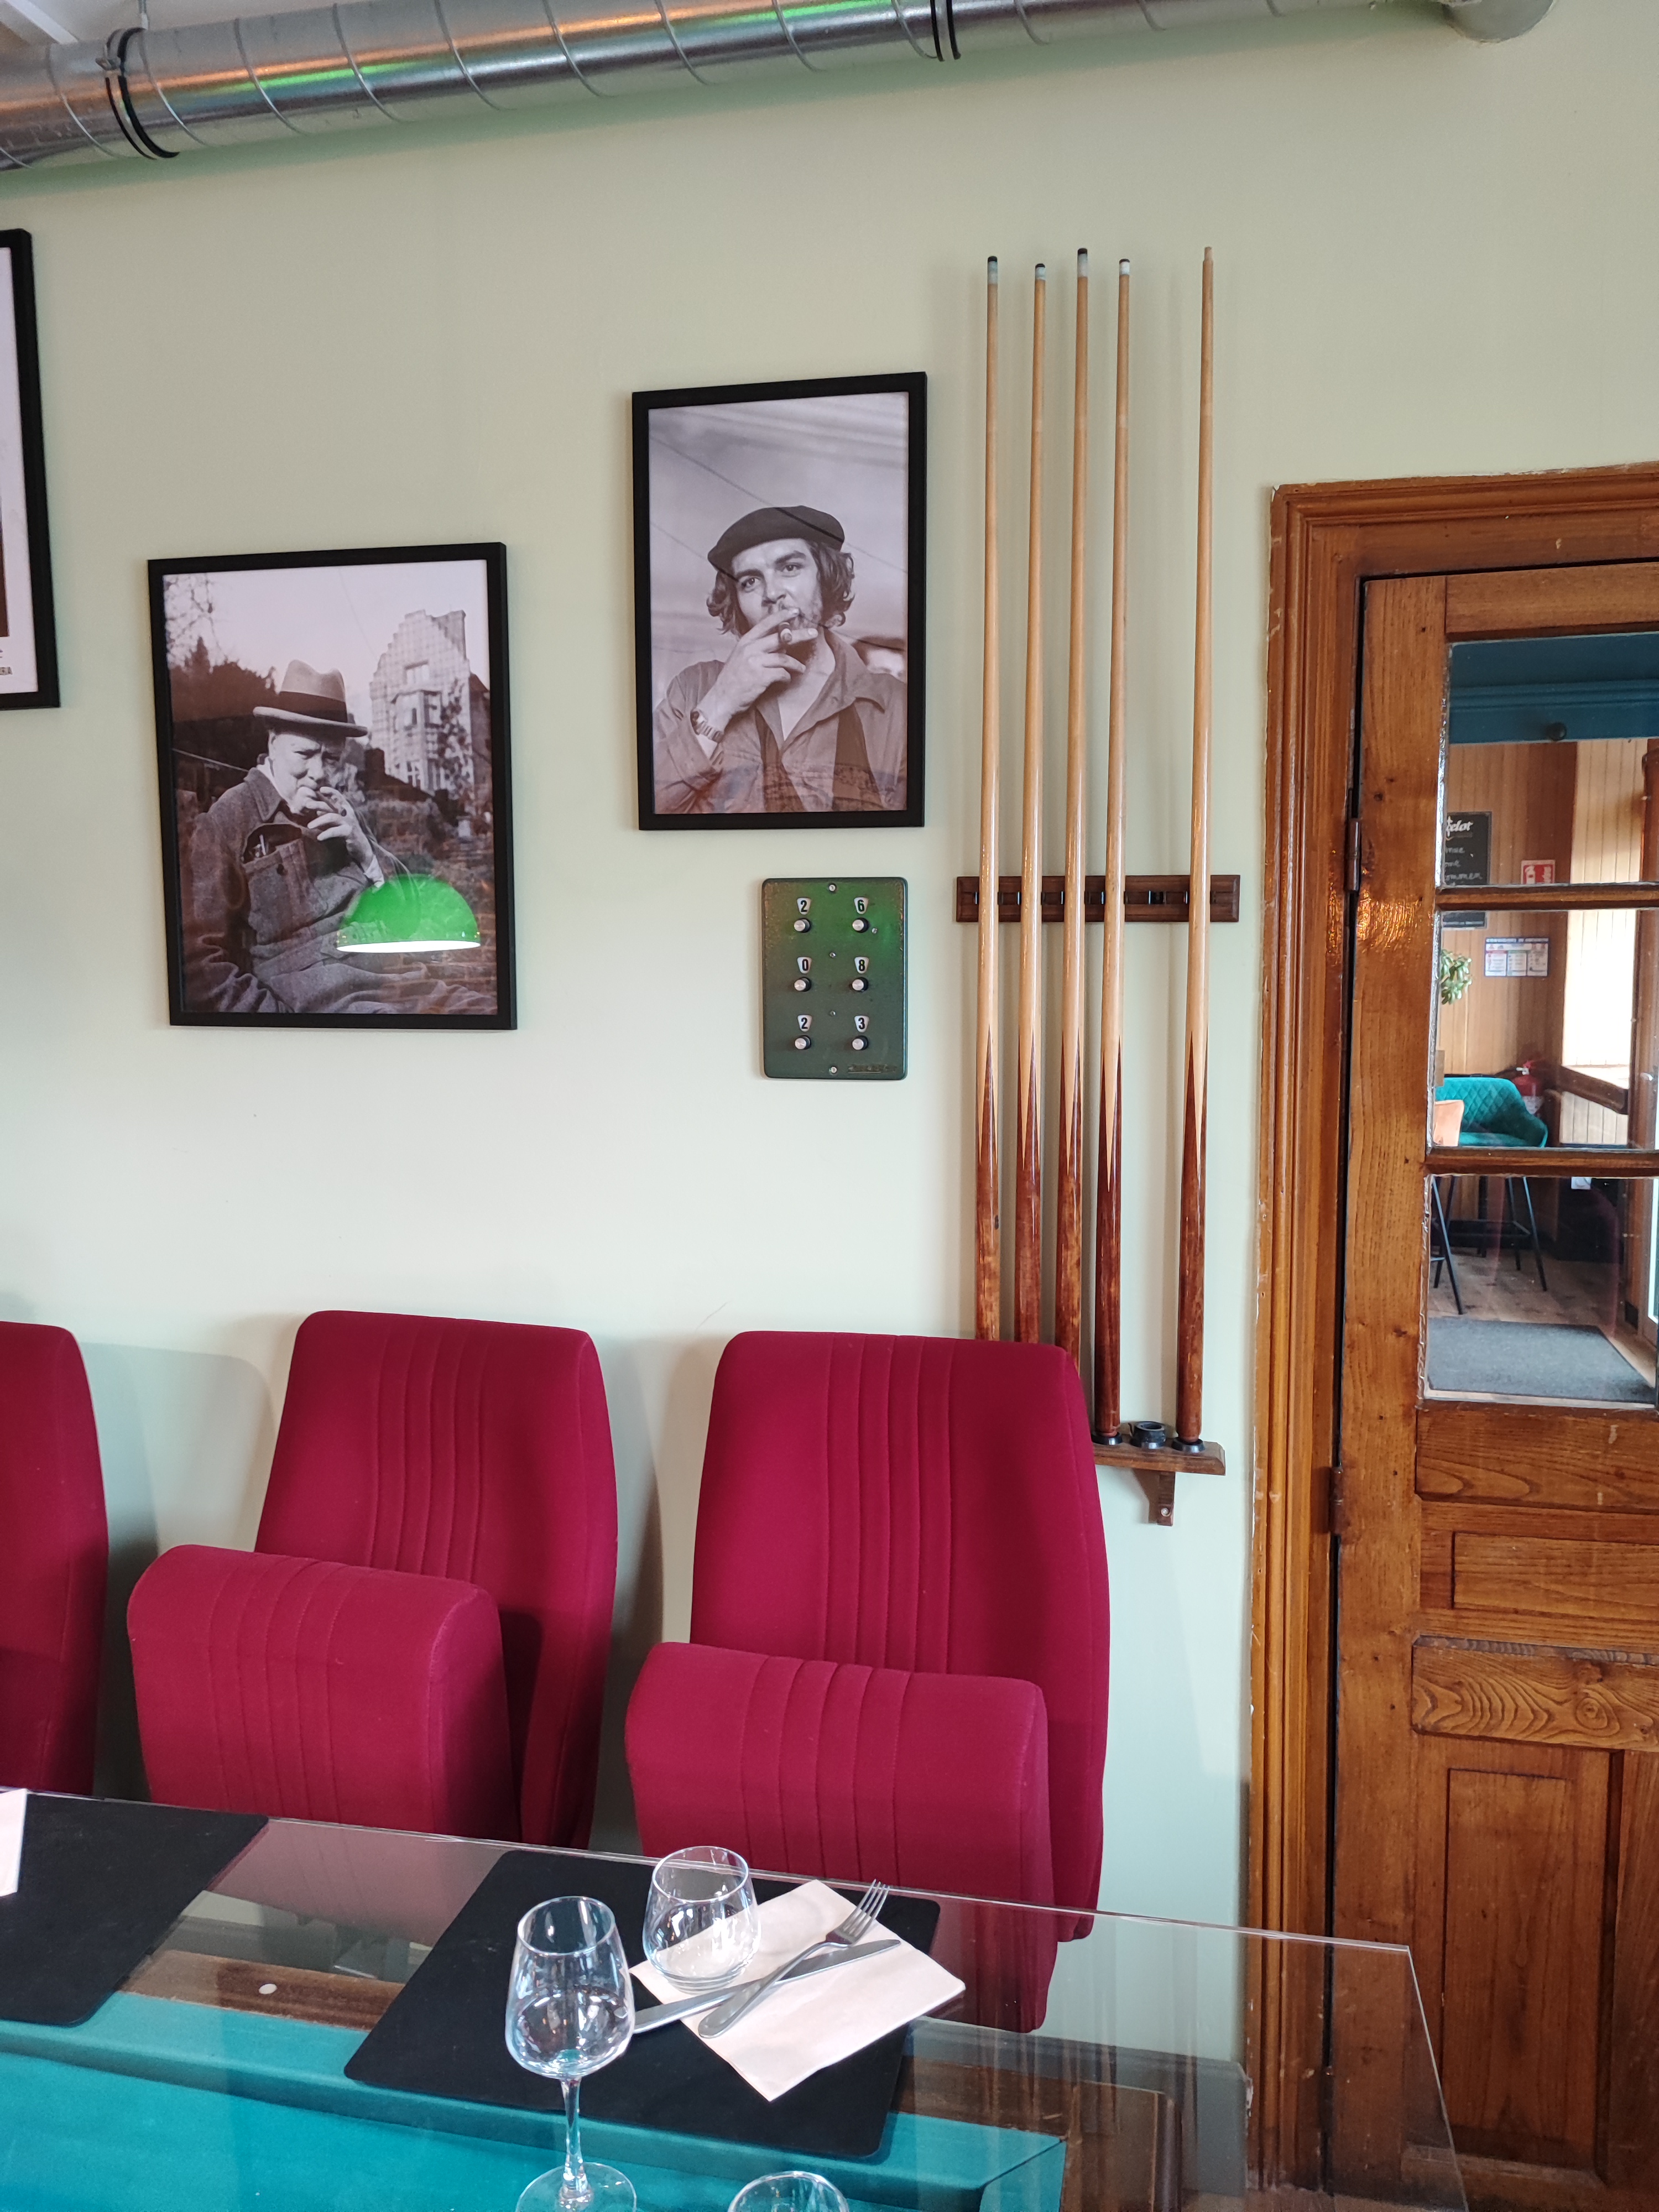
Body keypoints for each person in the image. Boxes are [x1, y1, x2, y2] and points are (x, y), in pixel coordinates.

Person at [184, 659, 492, 1016]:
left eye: (330, 758)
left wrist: (365, 851)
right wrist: (277, 1022)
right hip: (335, 1006)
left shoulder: (342, 812)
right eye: (304, 754)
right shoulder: (230, 819)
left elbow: (408, 918)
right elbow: (200, 963)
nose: (318, 773)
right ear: (273, 741)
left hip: (406, 986)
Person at [652, 504, 907, 815]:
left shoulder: (897, 707)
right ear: (737, 602)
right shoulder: (692, 689)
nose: (772, 593)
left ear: (826, 579)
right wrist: (721, 701)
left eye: (790, 568)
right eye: (750, 581)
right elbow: (648, 813)